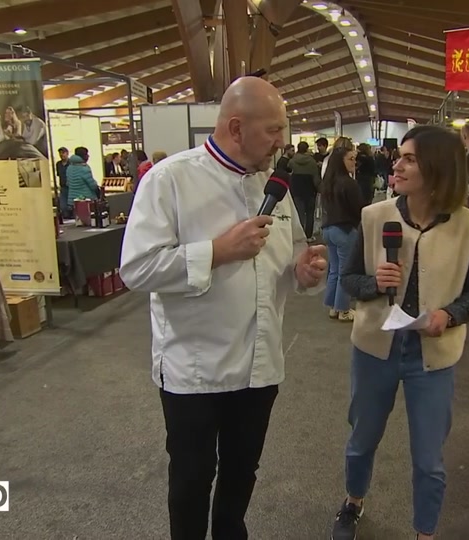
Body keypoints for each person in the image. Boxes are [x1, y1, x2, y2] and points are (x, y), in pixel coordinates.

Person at [118, 76, 328, 540]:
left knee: (241, 473)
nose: (283, 141)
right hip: (196, 368)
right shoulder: (170, 180)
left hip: (259, 365)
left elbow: (288, 259)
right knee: (192, 479)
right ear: (236, 127)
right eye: (273, 130)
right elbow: (136, 269)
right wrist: (216, 251)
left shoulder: (277, 187)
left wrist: (304, 271)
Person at [329, 125, 469, 540]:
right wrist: (374, 283)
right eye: (399, 156)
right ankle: (353, 502)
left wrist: (449, 315)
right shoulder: (374, 216)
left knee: (429, 457)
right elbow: (349, 279)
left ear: (437, 168)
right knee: (362, 437)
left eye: (409, 158)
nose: (396, 165)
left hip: (432, 354)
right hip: (375, 345)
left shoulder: (468, 227)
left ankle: (425, 532)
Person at [320, 145, 364, 322]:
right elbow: (359, 208)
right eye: (351, 159)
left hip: (328, 229)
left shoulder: (327, 182)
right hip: (345, 230)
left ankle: (333, 306)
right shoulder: (349, 183)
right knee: (345, 272)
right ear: (341, 162)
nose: (354, 162)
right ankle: (343, 309)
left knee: (335, 271)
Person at [289, 141, 321, 240]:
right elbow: (315, 178)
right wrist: (319, 188)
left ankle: (300, 235)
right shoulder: (312, 162)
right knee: (310, 214)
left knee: (299, 213)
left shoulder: (292, 161)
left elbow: (289, 173)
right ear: (307, 149)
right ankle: (308, 235)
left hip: (297, 191)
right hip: (310, 191)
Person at [55, 147, 71, 218]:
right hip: (63, 186)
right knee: (63, 205)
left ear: (67, 153)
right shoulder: (58, 164)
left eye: (63, 153)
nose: (62, 155)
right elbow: (58, 174)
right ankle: (66, 216)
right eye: (60, 153)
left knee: (70, 204)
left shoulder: (71, 163)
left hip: (71, 186)